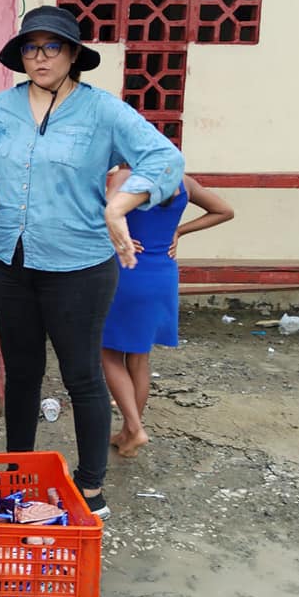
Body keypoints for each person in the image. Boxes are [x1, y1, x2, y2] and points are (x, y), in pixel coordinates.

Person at [0, 5, 185, 519]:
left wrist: (118, 205)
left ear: (72, 55)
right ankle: (17, 470)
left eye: (52, 47)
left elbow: (166, 160)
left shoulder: (102, 111)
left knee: (81, 373)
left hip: (79, 265)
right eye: (30, 48)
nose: (40, 57)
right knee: (21, 371)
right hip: (8, 258)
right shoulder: (1, 107)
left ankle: (90, 484)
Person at [102, 170, 233, 458]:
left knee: (109, 354)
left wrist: (114, 236)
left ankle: (135, 429)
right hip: (162, 272)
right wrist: (179, 230)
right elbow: (225, 210)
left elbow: (102, 215)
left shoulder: (124, 177)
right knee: (139, 358)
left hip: (127, 270)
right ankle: (127, 435)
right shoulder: (183, 181)